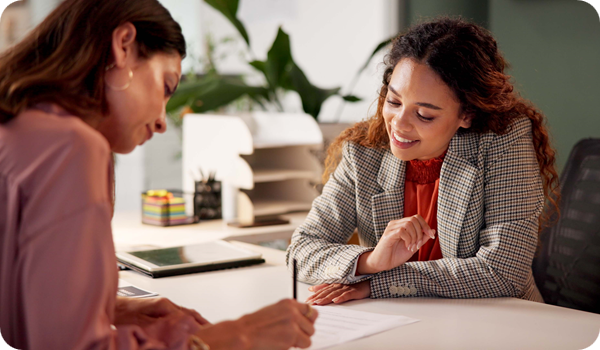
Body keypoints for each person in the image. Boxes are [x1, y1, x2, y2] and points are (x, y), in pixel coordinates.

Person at [0, 0, 317, 349]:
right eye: (166, 87)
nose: (163, 121)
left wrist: (110, 309)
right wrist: (236, 336)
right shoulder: (72, 147)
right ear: (123, 46)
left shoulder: (20, 128)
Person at [285, 17, 560, 305]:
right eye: (393, 102)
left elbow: (503, 272)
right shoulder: (364, 152)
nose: (399, 125)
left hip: (498, 321)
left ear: (466, 114)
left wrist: (378, 283)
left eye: (425, 115)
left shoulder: (503, 142)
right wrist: (371, 261)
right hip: (398, 321)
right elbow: (300, 252)